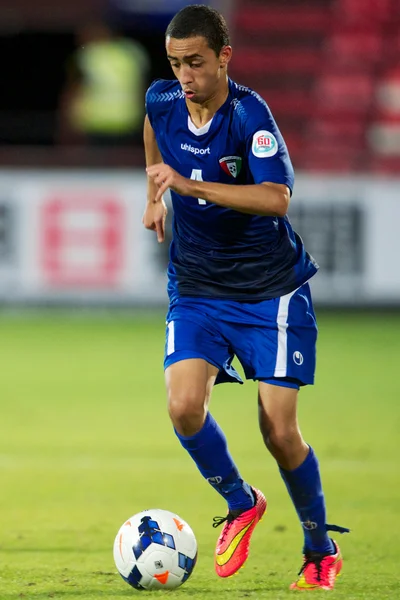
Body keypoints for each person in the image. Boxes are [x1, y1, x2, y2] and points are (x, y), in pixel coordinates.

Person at [143, 4, 349, 591]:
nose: (185, 75)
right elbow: (152, 132)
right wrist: (155, 190)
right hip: (198, 287)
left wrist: (186, 184)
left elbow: (277, 198)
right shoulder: (162, 100)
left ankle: (318, 547)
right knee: (183, 405)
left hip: (270, 291)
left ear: (224, 56)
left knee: (278, 430)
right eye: (176, 63)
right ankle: (241, 502)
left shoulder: (249, 115)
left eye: (197, 62)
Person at [58, 22, 149, 146]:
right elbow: (142, 88)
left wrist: (66, 123)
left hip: (93, 123)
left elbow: (74, 90)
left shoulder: (88, 55)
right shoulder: (132, 52)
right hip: (127, 122)